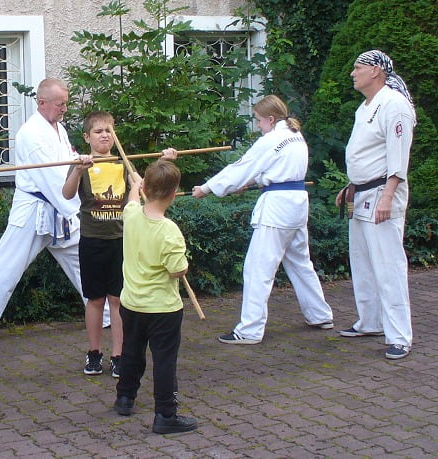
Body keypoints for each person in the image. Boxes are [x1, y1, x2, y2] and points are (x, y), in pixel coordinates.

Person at [191, 95, 333, 345]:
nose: (257, 125)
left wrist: (207, 187)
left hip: (277, 209)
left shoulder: (272, 139)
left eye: (258, 120)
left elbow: (243, 165)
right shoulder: (295, 135)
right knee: (300, 263)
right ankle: (320, 315)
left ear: (270, 118)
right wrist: (253, 182)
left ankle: (250, 330)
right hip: (297, 204)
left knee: (258, 269)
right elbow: (275, 170)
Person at [0, 78, 88, 347]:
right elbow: (53, 178)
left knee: (84, 260)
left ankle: (104, 313)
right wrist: (81, 205)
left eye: (66, 103)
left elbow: (65, 168)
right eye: (60, 104)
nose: (65, 108)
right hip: (33, 211)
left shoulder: (59, 129)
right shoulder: (31, 134)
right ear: (42, 103)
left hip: (59, 208)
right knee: (6, 266)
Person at [335, 50, 416, 360]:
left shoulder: (395, 105)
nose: (353, 73)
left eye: (358, 67)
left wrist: (387, 195)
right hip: (363, 193)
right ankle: (370, 321)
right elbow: (366, 153)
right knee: (363, 261)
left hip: (384, 193)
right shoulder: (365, 106)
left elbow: (398, 156)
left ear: (377, 71)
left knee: (388, 265)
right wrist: (352, 185)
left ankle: (400, 337)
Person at [114, 159, 197, 435]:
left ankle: (125, 398)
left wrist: (135, 187)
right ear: (174, 194)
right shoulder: (169, 231)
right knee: (164, 361)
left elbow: (131, 201)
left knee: (131, 352)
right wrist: (184, 264)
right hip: (162, 309)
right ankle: (165, 415)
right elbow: (177, 271)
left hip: (132, 304)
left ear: (145, 188)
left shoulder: (131, 215)